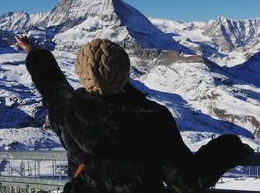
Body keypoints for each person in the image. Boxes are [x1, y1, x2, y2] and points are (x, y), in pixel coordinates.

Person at [15, 35, 254, 193]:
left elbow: (51, 85)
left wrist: (33, 52)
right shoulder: (152, 120)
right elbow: (188, 180)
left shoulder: (70, 111)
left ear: (82, 74)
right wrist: (229, 147)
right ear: (125, 73)